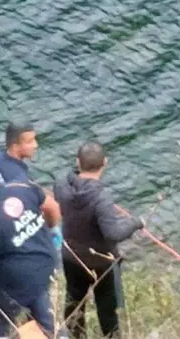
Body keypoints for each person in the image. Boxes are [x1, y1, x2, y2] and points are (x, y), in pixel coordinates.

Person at [0, 149, 62, 338]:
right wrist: (49, 228)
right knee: (45, 315)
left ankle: (4, 334)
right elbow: (53, 208)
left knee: (1, 320)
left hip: (14, 286)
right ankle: (51, 330)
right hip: (46, 266)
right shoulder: (24, 187)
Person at [54, 141, 143, 338]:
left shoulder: (62, 186)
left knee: (74, 301)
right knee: (107, 307)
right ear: (105, 163)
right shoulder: (102, 198)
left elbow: (66, 180)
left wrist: (74, 171)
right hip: (102, 262)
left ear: (78, 162)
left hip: (72, 257)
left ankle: (75, 335)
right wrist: (136, 222)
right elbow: (113, 233)